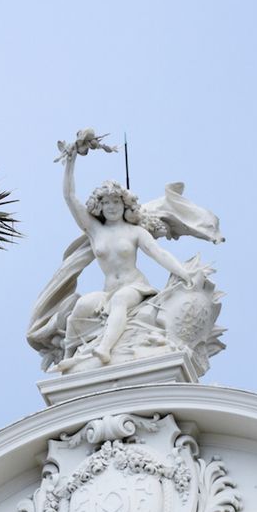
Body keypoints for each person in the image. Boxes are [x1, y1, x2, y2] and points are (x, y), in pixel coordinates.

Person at [54, 148, 201, 369]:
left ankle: (104, 349)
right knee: (82, 306)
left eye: (116, 202)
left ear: (125, 205)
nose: (112, 206)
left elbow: (159, 254)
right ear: (99, 206)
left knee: (120, 301)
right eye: (107, 202)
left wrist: (183, 273)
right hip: (108, 291)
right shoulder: (94, 231)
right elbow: (69, 197)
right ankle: (68, 359)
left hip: (134, 287)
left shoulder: (135, 232)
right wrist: (70, 162)